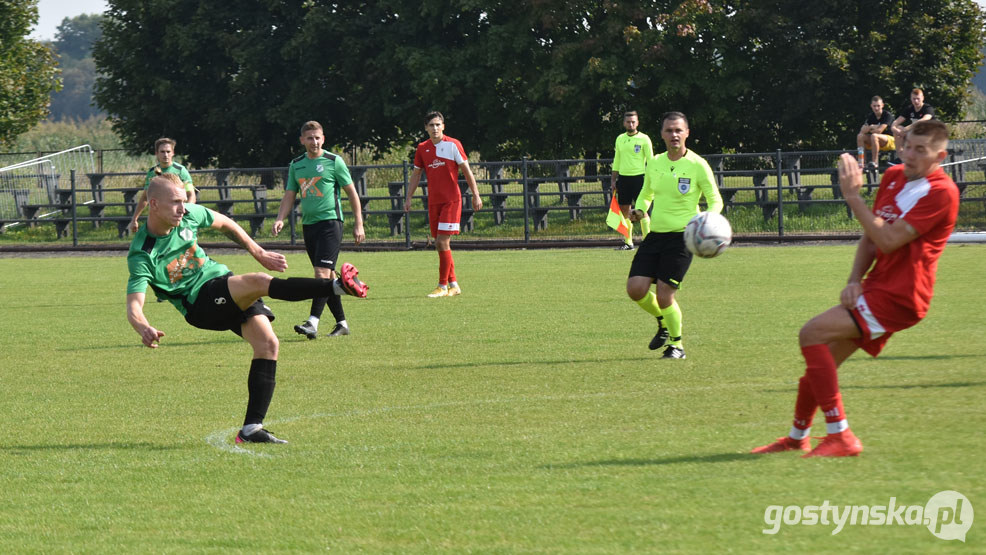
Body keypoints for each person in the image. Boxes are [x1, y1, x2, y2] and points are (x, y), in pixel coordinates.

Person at [751, 120, 959, 458]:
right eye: (907, 145)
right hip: (878, 288)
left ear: (940, 155)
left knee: (811, 334)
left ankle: (841, 435)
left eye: (920, 150)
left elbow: (890, 240)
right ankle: (796, 438)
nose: (909, 154)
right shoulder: (892, 178)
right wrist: (853, 282)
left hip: (902, 296)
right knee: (822, 368)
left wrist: (852, 197)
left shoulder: (942, 192)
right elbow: (871, 236)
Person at [126, 173, 368, 444]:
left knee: (268, 344)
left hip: (221, 283)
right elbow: (134, 306)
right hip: (199, 303)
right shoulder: (142, 253)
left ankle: (251, 429)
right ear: (154, 204)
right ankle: (336, 287)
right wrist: (143, 327)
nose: (183, 208)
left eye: (183, 201)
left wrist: (258, 251)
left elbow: (226, 223)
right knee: (258, 281)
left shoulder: (188, 215)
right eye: (175, 203)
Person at [625, 112, 723, 359]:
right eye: (669, 130)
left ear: (687, 133)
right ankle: (662, 321)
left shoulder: (698, 165)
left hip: (682, 238)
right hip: (655, 235)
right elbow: (647, 193)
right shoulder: (655, 162)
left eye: (678, 130)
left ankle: (676, 346)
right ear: (662, 135)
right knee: (635, 289)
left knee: (664, 294)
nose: (674, 135)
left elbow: (715, 200)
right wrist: (639, 209)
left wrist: (707, 222)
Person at [272, 121, 366, 339]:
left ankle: (312, 323)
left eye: (317, 138)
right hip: (309, 225)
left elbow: (352, 193)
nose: (314, 142)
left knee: (320, 274)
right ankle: (342, 323)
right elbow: (289, 194)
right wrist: (280, 218)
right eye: (310, 138)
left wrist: (358, 223)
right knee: (329, 277)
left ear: (323, 139)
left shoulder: (334, 161)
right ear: (302, 140)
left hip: (331, 223)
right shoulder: (296, 164)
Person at [403, 111, 483, 298]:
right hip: (434, 202)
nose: (435, 128)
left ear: (443, 126)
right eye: (431, 125)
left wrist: (476, 194)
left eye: (438, 124)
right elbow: (416, 175)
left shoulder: (453, 144)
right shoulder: (422, 148)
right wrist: (408, 198)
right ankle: (454, 284)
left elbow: (467, 171)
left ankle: (442, 286)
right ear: (426, 128)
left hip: (451, 201)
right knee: (441, 245)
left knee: (441, 241)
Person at [129, 138, 196, 233]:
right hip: (160, 217)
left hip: (178, 217)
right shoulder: (152, 172)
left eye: (168, 152)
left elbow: (191, 194)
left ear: (173, 153)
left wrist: (186, 211)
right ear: (156, 153)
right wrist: (134, 219)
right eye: (162, 152)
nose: (165, 155)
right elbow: (145, 197)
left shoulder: (181, 170)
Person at [610, 111, 654, 250]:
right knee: (624, 210)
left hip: (640, 178)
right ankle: (628, 242)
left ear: (637, 123)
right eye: (628, 121)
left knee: (642, 211)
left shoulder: (644, 139)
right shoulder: (620, 139)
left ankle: (648, 242)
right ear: (624, 123)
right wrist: (613, 179)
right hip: (624, 179)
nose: (631, 124)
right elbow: (617, 160)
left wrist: (651, 178)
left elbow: (651, 160)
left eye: (633, 121)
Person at [890, 88, 935, 157]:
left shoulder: (928, 108)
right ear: (911, 99)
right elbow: (897, 121)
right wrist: (894, 128)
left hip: (929, 135)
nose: (916, 101)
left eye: (918, 99)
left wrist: (905, 129)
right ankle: (900, 157)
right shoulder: (909, 109)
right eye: (914, 99)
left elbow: (923, 120)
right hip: (915, 134)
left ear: (922, 98)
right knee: (898, 128)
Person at [855, 96, 895, 169]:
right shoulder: (870, 116)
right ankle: (862, 161)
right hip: (875, 141)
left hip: (890, 141)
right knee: (860, 136)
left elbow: (879, 131)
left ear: (882, 105)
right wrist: (872, 127)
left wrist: (870, 128)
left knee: (874, 136)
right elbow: (862, 130)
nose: (876, 108)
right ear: (871, 106)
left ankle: (875, 162)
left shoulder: (887, 115)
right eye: (874, 106)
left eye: (878, 106)